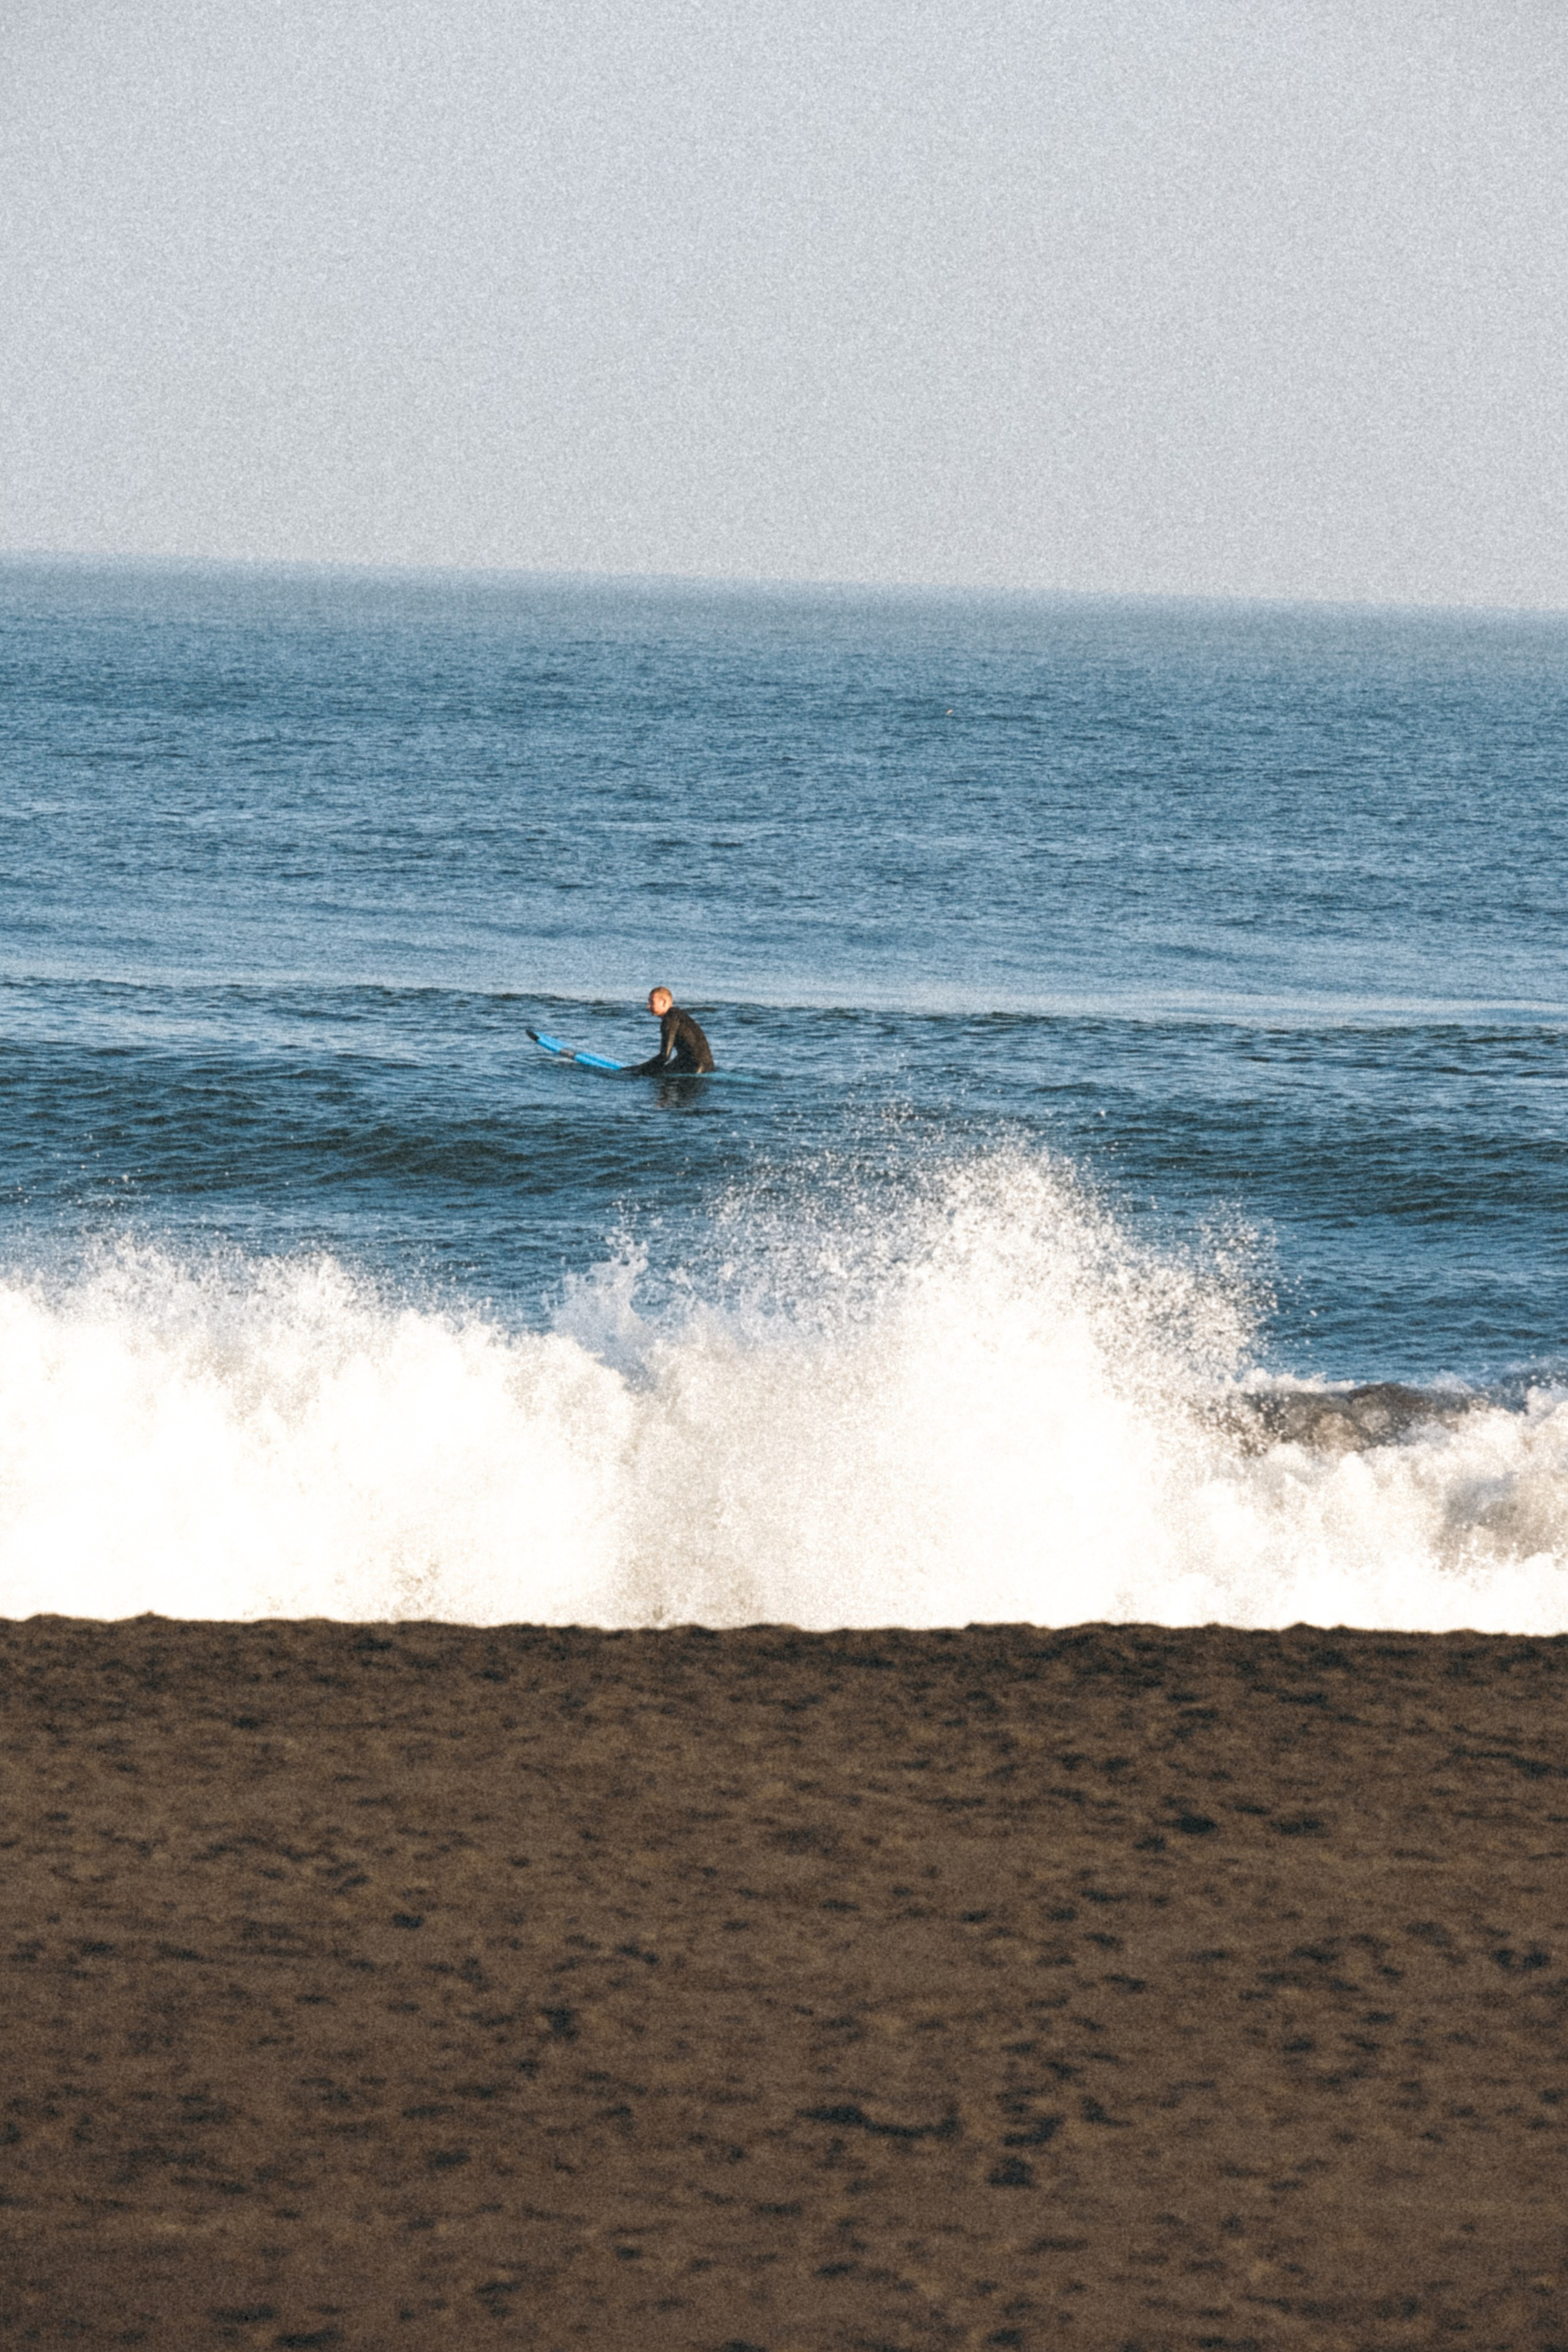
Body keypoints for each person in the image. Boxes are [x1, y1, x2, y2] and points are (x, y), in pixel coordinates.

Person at [628, 986, 715, 1074]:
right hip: (708, 1067)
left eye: (652, 1002)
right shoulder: (680, 1015)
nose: (648, 1006)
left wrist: (639, 1070)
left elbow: (665, 1056)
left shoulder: (669, 1020)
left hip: (693, 1069)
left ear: (664, 1003)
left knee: (643, 1074)